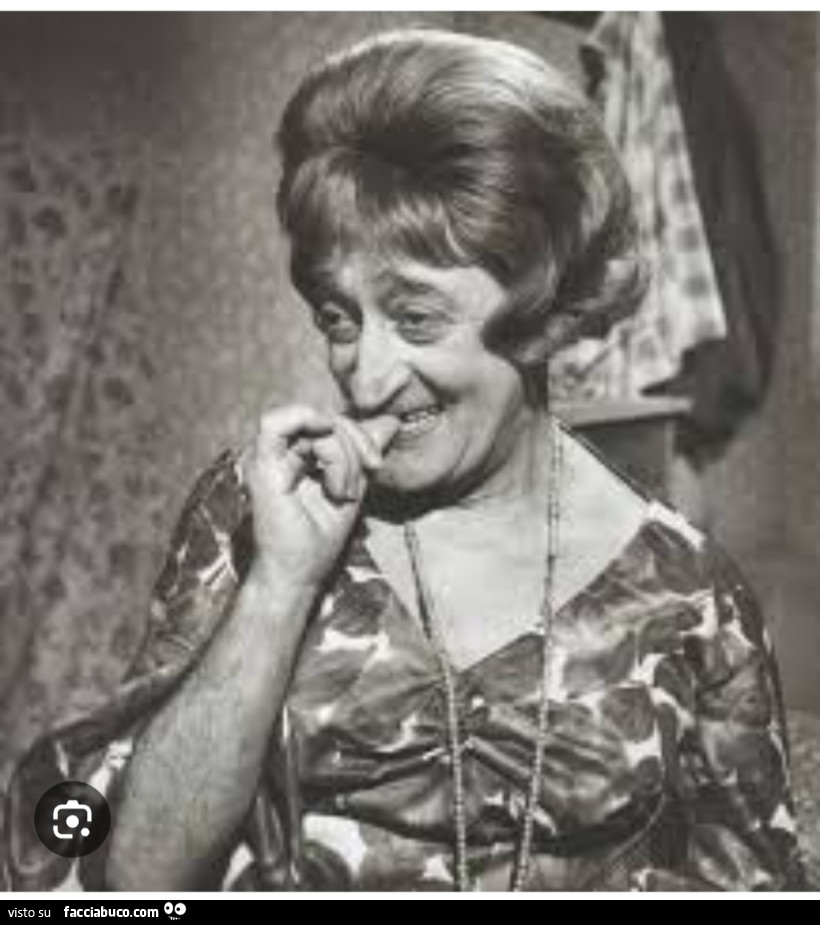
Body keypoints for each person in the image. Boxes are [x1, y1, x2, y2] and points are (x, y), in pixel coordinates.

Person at [4, 29, 804, 893]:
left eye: (417, 318)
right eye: (339, 318)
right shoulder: (257, 508)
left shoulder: (691, 595)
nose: (367, 376)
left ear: (543, 314)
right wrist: (281, 585)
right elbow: (134, 880)